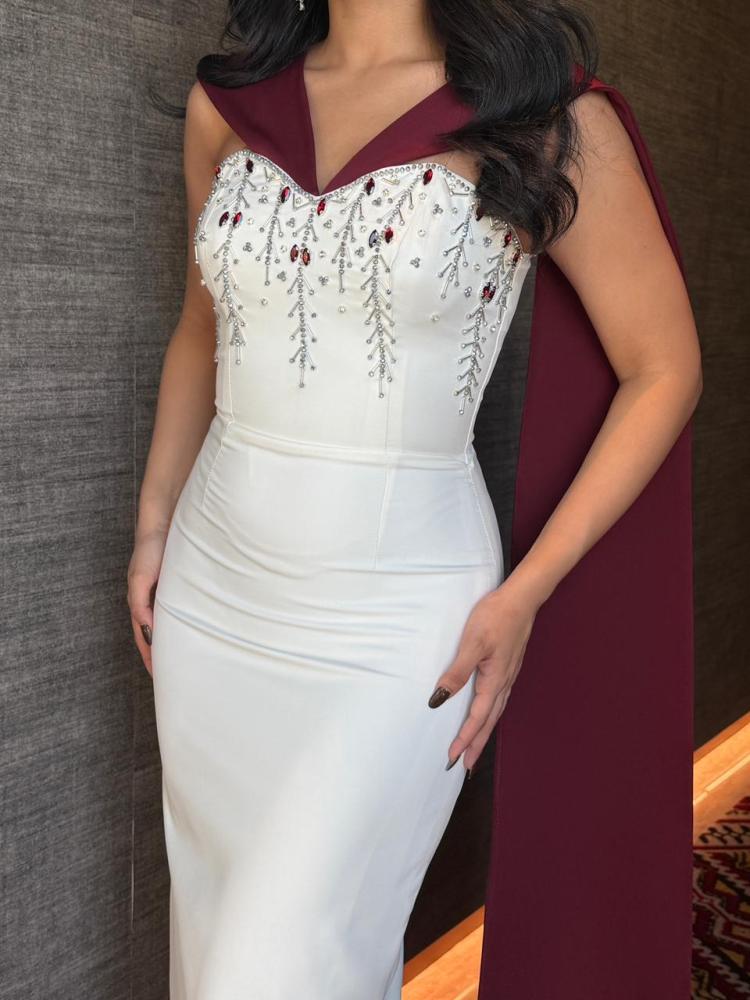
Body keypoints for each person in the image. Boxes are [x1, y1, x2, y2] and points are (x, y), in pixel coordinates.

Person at [127, 1, 702, 997]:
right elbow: (200, 328)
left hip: (396, 625)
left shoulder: (543, 116)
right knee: (225, 951)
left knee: (278, 965)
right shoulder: (229, 104)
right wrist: (151, 526)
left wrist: (527, 591)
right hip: (212, 605)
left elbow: (663, 366)